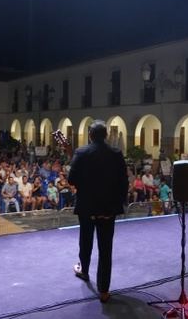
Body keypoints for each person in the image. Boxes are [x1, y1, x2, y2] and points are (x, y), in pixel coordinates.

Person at [68, 119, 128, 303]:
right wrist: (116, 204)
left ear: (90, 135)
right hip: (108, 209)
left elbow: (71, 179)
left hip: (87, 207)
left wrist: (82, 186)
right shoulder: (116, 154)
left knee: (85, 241)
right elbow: (123, 183)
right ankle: (104, 290)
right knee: (105, 248)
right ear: (106, 135)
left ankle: (84, 271)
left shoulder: (81, 152)